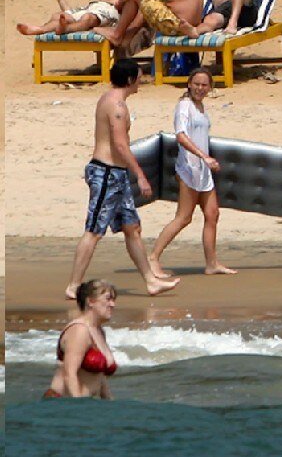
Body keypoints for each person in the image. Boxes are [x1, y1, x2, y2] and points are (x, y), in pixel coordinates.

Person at [66, 59, 180, 300]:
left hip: (116, 175)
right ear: (130, 80)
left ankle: (150, 281)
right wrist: (140, 175)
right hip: (106, 173)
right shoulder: (116, 105)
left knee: (132, 228)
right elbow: (120, 144)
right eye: (139, 77)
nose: (142, 81)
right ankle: (74, 285)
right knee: (94, 231)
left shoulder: (111, 99)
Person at [149, 68, 237, 276]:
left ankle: (212, 263)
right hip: (189, 168)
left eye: (204, 85)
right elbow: (181, 136)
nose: (200, 88)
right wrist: (203, 156)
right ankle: (152, 257)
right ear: (189, 84)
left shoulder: (201, 107)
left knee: (212, 214)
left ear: (210, 88)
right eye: (196, 84)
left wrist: (207, 160)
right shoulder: (184, 106)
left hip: (204, 170)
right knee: (184, 217)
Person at [45, 280, 119, 399]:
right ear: (91, 301)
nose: (112, 304)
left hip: (84, 403)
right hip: (61, 403)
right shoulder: (79, 330)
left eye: (113, 300)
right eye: (108, 299)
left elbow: (100, 377)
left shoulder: (98, 331)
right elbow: (70, 374)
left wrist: (110, 402)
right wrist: (79, 407)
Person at [16, 0, 119, 36]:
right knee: (59, 15)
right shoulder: (99, 3)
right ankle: (40, 29)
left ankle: (65, 29)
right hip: (88, 11)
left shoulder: (122, 5)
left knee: (88, 18)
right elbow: (70, 12)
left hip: (105, 16)